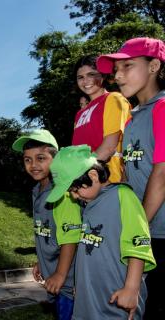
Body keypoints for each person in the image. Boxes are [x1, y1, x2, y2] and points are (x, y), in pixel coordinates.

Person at [96, 37, 165, 319]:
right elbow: (128, 174)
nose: (118, 75)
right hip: (142, 232)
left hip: (157, 232)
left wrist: (137, 231)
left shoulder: (162, 109)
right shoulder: (132, 117)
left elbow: (161, 175)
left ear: (154, 66)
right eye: (116, 69)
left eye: (127, 66)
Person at [47, 145, 156, 319]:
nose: (74, 196)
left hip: (116, 300)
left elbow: (138, 244)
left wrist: (131, 288)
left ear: (93, 176)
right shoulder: (88, 203)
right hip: (88, 301)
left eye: (75, 190)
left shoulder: (123, 196)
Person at [12, 129, 81, 320]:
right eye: (27, 159)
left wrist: (59, 274)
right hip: (53, 279)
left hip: (68, 283)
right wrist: (41, 262)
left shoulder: (62, 193)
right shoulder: (37, 190)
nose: (33, 165)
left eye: (40, 158)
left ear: (55, 159)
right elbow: (47, 231)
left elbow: (70, 238)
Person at [73, 55, 131, 183]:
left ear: (103, 76)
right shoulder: (80, 114)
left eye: (91, 75)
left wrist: (80, 175)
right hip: (84, 184)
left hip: (110, 180)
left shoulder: (114, 99)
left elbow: (109, 146)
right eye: (80, 77)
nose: (86, 81)